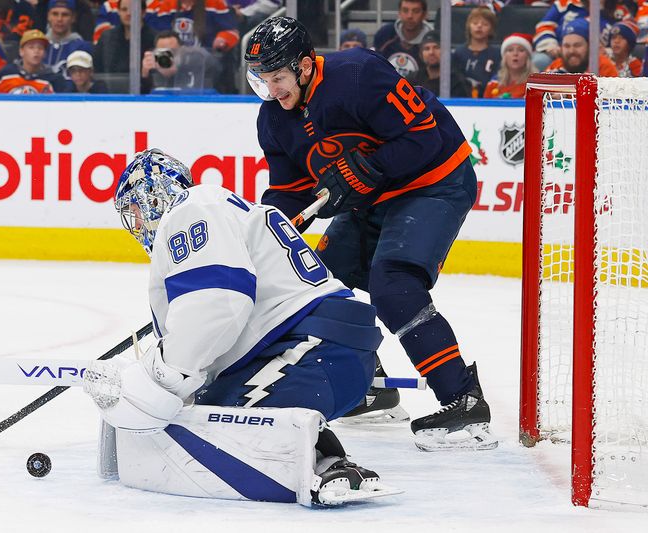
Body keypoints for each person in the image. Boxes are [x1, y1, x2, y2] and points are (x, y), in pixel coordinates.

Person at [244, 17, 497, 451]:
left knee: (394, 284)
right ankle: (370, 387)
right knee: (315, 281)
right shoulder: (273, 119)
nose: (272, 91)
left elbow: (424, 137)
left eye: (279, 78)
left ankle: (462, 400)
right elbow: (288, 191)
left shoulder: (358, 74)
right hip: (374, 198)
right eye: (262, 81)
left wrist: (369, 168)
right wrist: (264, 233)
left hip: (434, 182)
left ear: (305, 67)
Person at [84, 148, 390, 505]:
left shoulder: (191, 207)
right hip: (324, 351)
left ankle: (321, 465)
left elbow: (218, 300)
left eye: (135, 210)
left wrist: (161, 376)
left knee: (203, 428)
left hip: (313, 350)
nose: (137, 223)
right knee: (205, 410)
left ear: (152, 194)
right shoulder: (217, 212)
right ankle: (325, 457)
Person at [533, 0, 634, 71]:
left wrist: (609, 51)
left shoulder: (621, 12)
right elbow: (544, 26)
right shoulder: (566, 3)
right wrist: (551, 46)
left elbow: (628, 39)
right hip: (561, 54)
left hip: (602, 59)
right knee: (540, 60)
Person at [0, 28, 68, 93]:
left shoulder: (54, 79)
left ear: (44, 53)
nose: (36, 51)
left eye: (40, 48)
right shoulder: (6, 74)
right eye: (31, 47)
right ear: (21, 51)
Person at [140, 29, 219, 92]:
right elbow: (141, 97)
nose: (167, 56)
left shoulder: (193, 63)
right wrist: (145, 74)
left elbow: (216, 66)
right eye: (162, 52)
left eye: (172, 51)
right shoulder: (153, 68)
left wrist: (179, 68)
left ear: (182, 50)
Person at [372, 0, 433, 79]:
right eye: (405, 10)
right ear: (399, 13)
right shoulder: (385, 34)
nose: (410, 16)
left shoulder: (433, 40)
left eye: (416, 11)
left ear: (424, 15)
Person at [94, 0, 155, 73]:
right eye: (124, 9)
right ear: (119, 12)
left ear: (143, 12)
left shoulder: (155, 39)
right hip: (112, 84)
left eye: (133, 10)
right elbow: (97, 69)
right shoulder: (106, 38)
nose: (128, 13)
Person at [545, 17, 619, 76]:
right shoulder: (556, 66)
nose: (571, 51)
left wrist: (567, 94)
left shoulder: (604, 67)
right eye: (567, 46)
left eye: (577, 45)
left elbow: (611, 94)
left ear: (589, 46)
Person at [452, 7, 500, 98]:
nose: (479, 26)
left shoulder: (497, 54)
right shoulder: (458, 53)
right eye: (475, 23)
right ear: (469, 26)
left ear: (491, 29)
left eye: (485, 24)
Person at [407, 30, 472, 97]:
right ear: (421, 54)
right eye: (427, 48)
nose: (431, 52)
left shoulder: (457, 82)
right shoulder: (413, 79)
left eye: (436, 47)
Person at [44, 0, 92, 75]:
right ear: (48, 16)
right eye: (55, 14)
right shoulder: (39, 46)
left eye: (65, 15)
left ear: (73, 18)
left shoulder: (82, 47)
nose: (59, 19)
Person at [484, 33, 538, 98]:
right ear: (504, 57)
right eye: (510, 50)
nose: (515, 54)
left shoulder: (536, 84)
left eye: (521, 50)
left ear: (528, 56)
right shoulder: (494, 83)